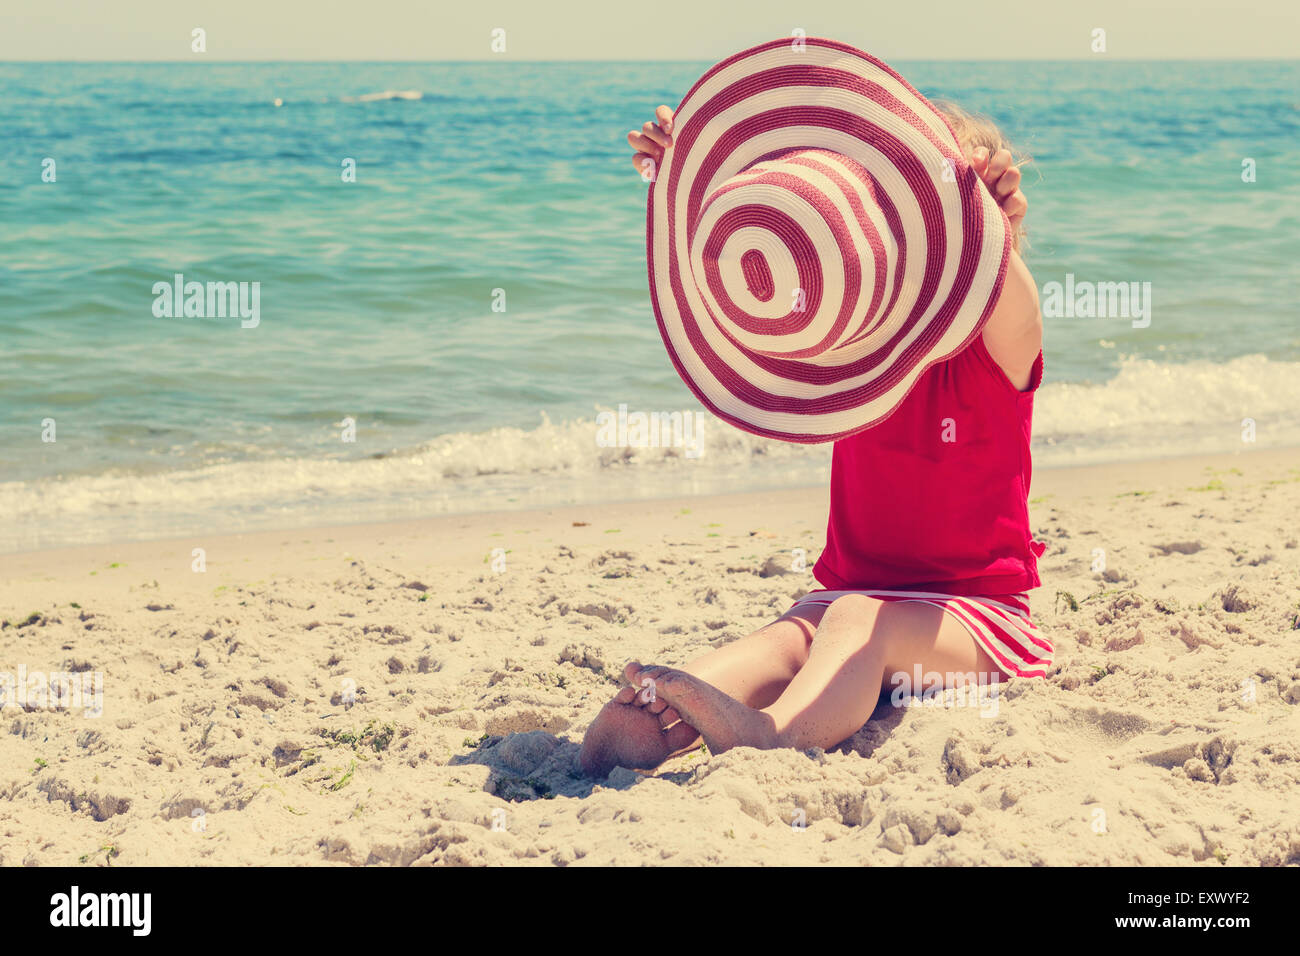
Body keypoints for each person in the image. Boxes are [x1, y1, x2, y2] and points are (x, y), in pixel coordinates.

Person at [578, 99, 1048, 777]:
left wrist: (983, 221)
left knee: (859, 620)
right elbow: (772, 253)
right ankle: (647, 721)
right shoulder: (851, 350)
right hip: (841, 605)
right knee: (784, 642)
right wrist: (690, 167)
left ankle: (772, 736)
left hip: (974, 615)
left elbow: (1011, 296)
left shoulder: (1001, 345)